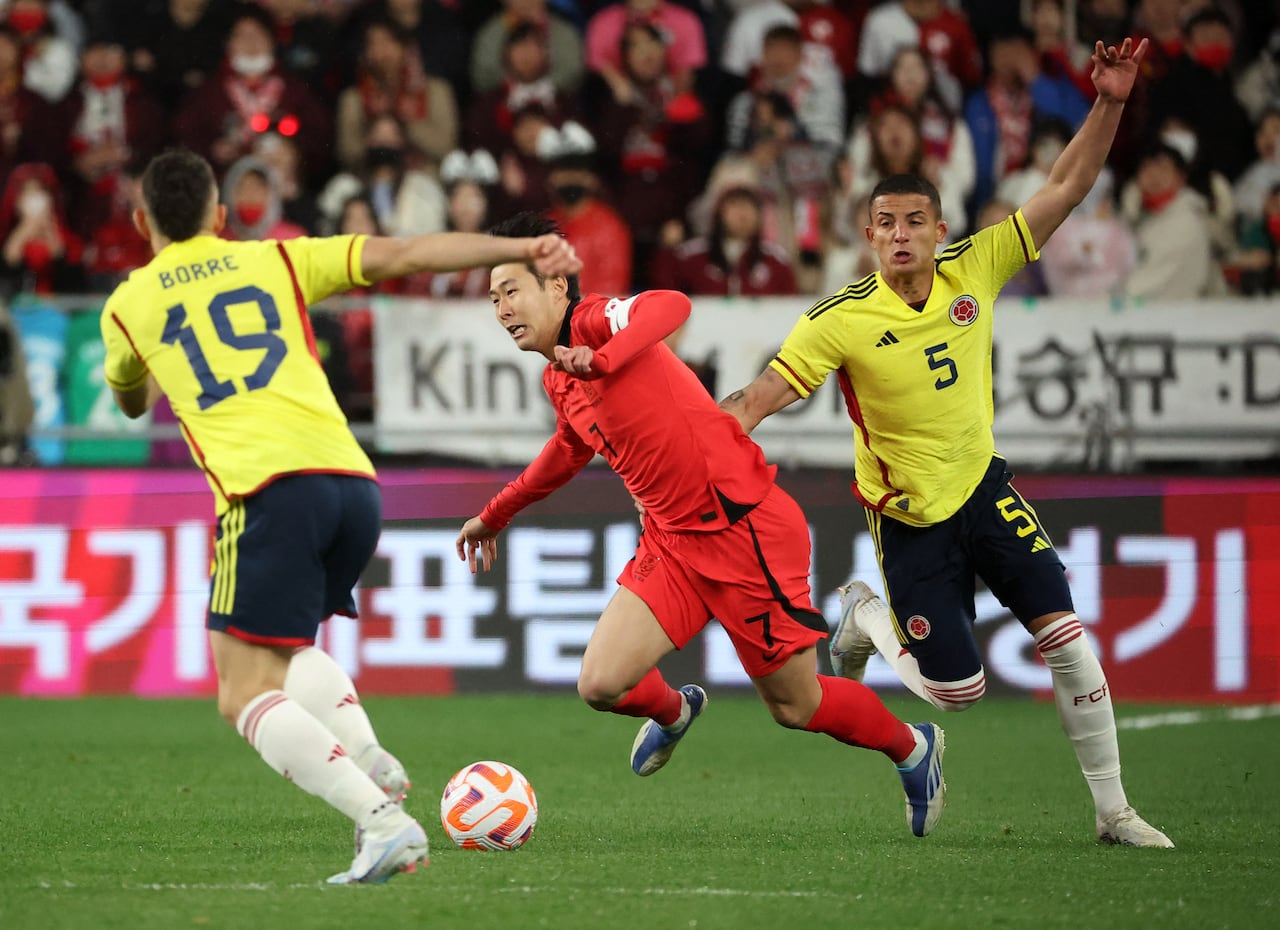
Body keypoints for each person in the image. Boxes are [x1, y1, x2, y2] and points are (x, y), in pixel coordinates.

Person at [718, 37, 1175, 849]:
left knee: (1065, 637)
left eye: (915, 222)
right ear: (867, 235)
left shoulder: (977, 266)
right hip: (910, 519)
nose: (901, 236)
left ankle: (1114, 813)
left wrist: (1109, 100)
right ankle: (861, 613)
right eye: (885, 224)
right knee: (957, 693)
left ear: (940, 228)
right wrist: (724, 429)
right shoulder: (842, 318)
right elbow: (769, 389)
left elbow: (1067, 186)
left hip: (985, 489)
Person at [100, 149, 581, 884]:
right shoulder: (278, 261)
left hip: (267, 491)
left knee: (241, 689)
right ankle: (369, 761)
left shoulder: (129, 304)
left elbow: (131, 399)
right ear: (221, 218)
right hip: (353, 483)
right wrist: (522, 247)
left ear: (141, 222)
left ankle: (383, 823)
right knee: (285, 650)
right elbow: (408, 253)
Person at [455, 212, 947, 840]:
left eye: (511, 289)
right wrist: (494, 515)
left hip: (745, 531)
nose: (501, 307)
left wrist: (603, 360)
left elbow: (671, 305)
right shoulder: (559, 374)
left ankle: (912, 747)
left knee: (796, 706)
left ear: (555, 286)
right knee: (601, 683)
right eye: (493, 295)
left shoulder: (595, 320)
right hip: (673, 541)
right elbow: (566, 451)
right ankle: (676, 708)